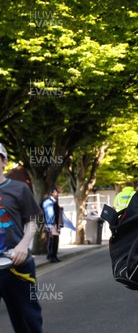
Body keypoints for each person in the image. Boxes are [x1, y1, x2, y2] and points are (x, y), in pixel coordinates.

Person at [0, 142, 44, 332]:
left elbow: (32, 222)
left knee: (28, 321)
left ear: (4, 161)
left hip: (17, 264)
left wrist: (23, 246)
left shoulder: (19, 189)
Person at [41, 187, 62, 263]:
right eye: (56, 192)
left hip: (54, 224)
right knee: (51, 240)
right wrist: (52, 226)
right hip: (51, 224)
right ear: (52, 193)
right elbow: (49, 214)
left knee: (55, 240)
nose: (57, 194)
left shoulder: (54, 201)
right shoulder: (48, 202)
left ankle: (54, 255)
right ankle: (51, 256)